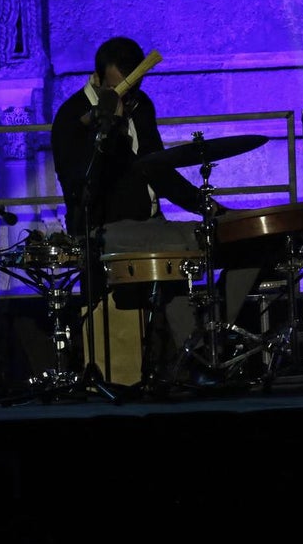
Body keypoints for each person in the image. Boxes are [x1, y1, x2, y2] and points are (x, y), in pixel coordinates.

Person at [50, 36, 258, 386]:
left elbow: (158, 171)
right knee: (176, 244)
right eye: (119, 86)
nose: (126, 94)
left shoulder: (140, 105)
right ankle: (197, 356)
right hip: (107, 229)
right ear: (98, 79)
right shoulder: (72, 119)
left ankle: (209, 343)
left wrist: (213, 210)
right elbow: (82, 186)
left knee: (244, 241)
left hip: (152, 225)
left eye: (133, 85)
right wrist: (109, 127)